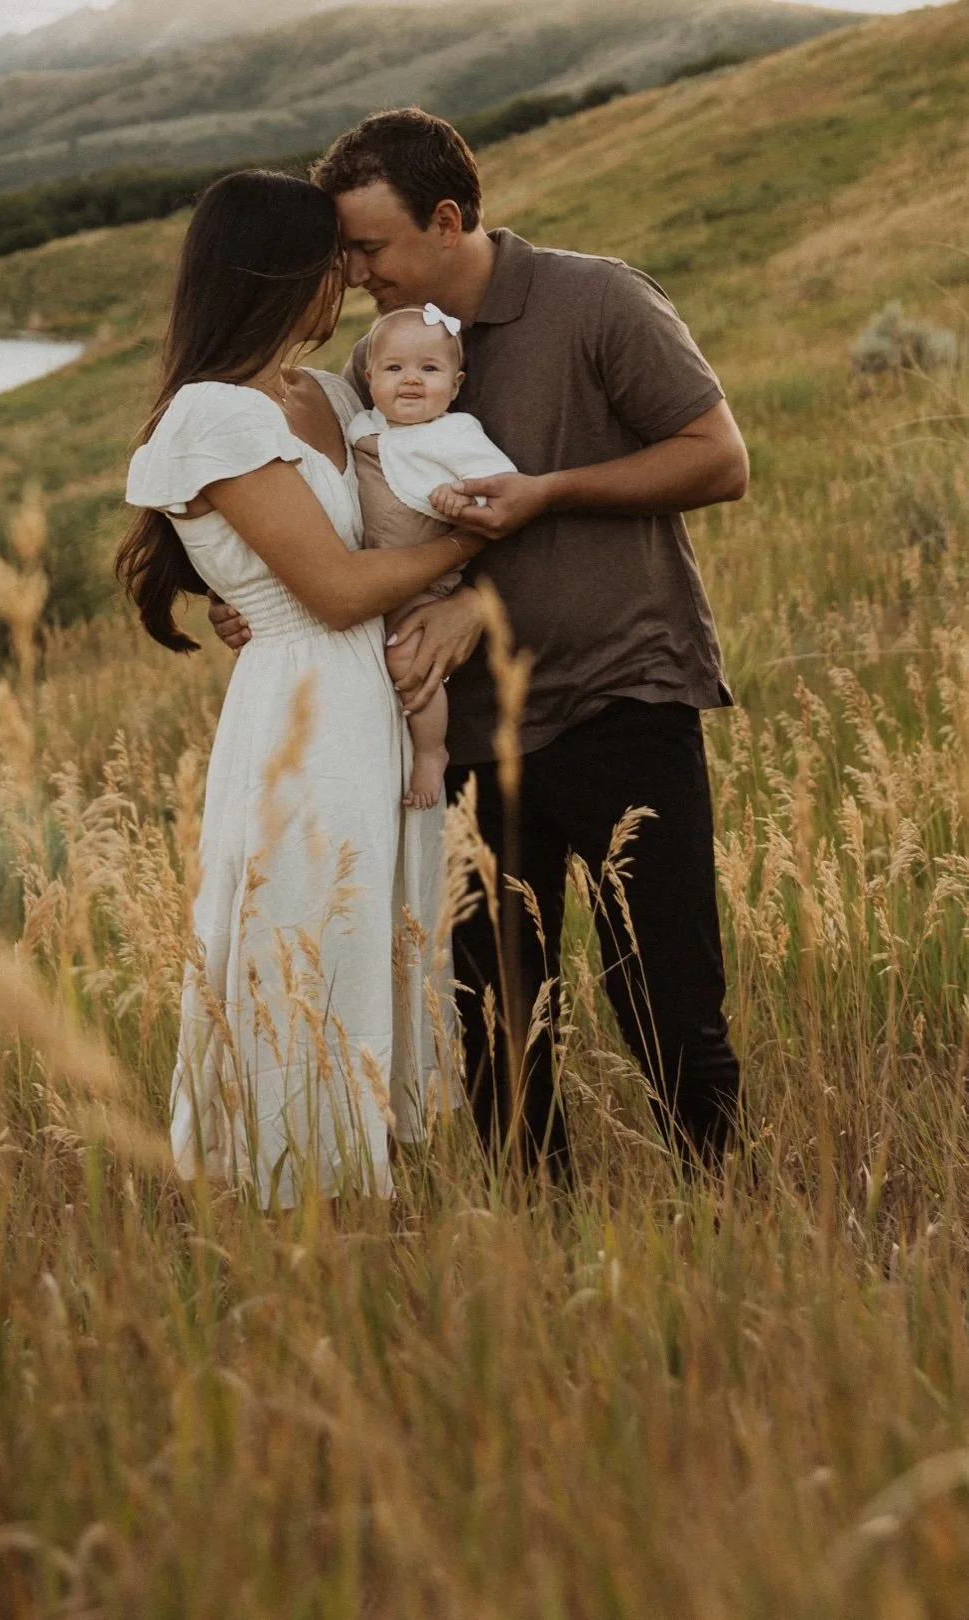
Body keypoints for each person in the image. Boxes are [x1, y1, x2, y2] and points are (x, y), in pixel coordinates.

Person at [212, 109, 748, 1176]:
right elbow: (381, 525)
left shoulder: (597, 299)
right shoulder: (379, 361)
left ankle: (723, 1215)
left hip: (618, 700)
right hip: (463, 736)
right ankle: (534, 1245)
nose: (352, 269)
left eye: (368, 246)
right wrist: (261, 601)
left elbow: (717, 458)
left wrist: (546, 494)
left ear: (447, 218)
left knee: (667, 999)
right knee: (496, 1024)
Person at [119, 170, 477, 1203]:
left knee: (373, 924)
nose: (348, 278)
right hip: (304, 707)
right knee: (307, 925)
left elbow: (386, 505)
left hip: (374, 697)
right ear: (280, 271)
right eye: (333, 260)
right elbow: (329, 587)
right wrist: (472, 539)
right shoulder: (212, 415)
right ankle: (290, 1181)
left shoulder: (321, 393)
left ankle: (365, 1166)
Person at [346, 303, 516, 813]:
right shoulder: (359, 428)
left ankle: (430, 750)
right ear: (370, 378)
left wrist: (461, 502)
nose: (412, 381)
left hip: (428, 582)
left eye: (429, 369)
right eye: (395, 369)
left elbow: (503, 492)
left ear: (456, 382)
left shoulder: (457, 434)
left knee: (405, 658)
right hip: (371, 576)